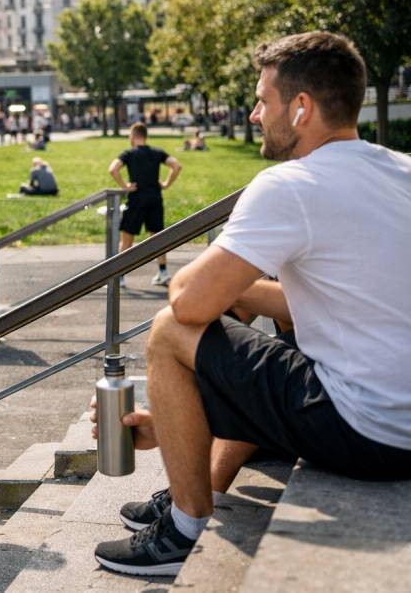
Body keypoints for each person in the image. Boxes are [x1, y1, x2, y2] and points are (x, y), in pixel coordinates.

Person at [93, 31, 411, 578]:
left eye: (263, 100)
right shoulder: (399, 169)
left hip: (367, 431)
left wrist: (218, 288)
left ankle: (183, 530)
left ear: (302, 107)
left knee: (171, 330)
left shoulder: (291, 183)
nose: (255, 115)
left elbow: (187, 301)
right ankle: (197, 480)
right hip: (399, 420)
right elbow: (349, 299)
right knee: (258, 314)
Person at [108, 122, 182, 286]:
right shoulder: (157, 152)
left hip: (136, 199)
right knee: (157, 237)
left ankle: (120, 276)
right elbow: (176, 166)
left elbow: (112, 169)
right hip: (155, 198)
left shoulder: (129, 153)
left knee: (127, 238)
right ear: (145, 136)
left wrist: (124, 186)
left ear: (133, 137)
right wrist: (166, 184)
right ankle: (163, 272)